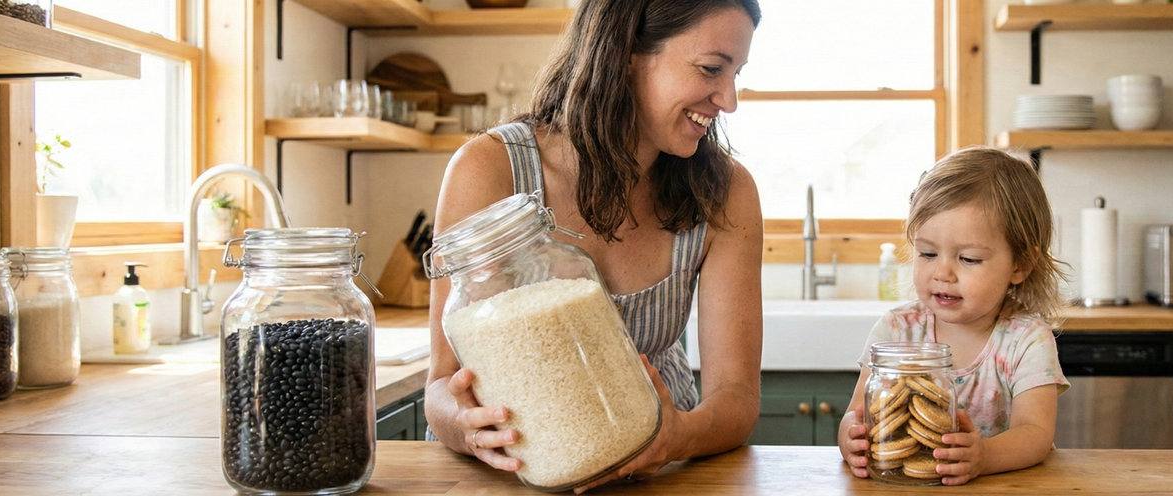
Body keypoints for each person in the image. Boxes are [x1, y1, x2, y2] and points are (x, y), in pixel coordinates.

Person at [423, 0, 764, 493]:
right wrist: (467, 429)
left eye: (737, 74)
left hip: (658, 469)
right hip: (516, 474)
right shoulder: (489, 169)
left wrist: (676, 437)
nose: (728, 101)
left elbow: (736, 398)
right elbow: (442, 385)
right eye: (712, 68)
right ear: (626, 53)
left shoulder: (724, 191)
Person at [836, 147, 1071, 486]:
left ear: (1020, 264)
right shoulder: (896, 330)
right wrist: (849, 437)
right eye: (927, 253)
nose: (942, 273)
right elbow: (856, 414)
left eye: (969, 259)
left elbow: (1035, 433)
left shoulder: (1026, 340)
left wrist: (985, 456)